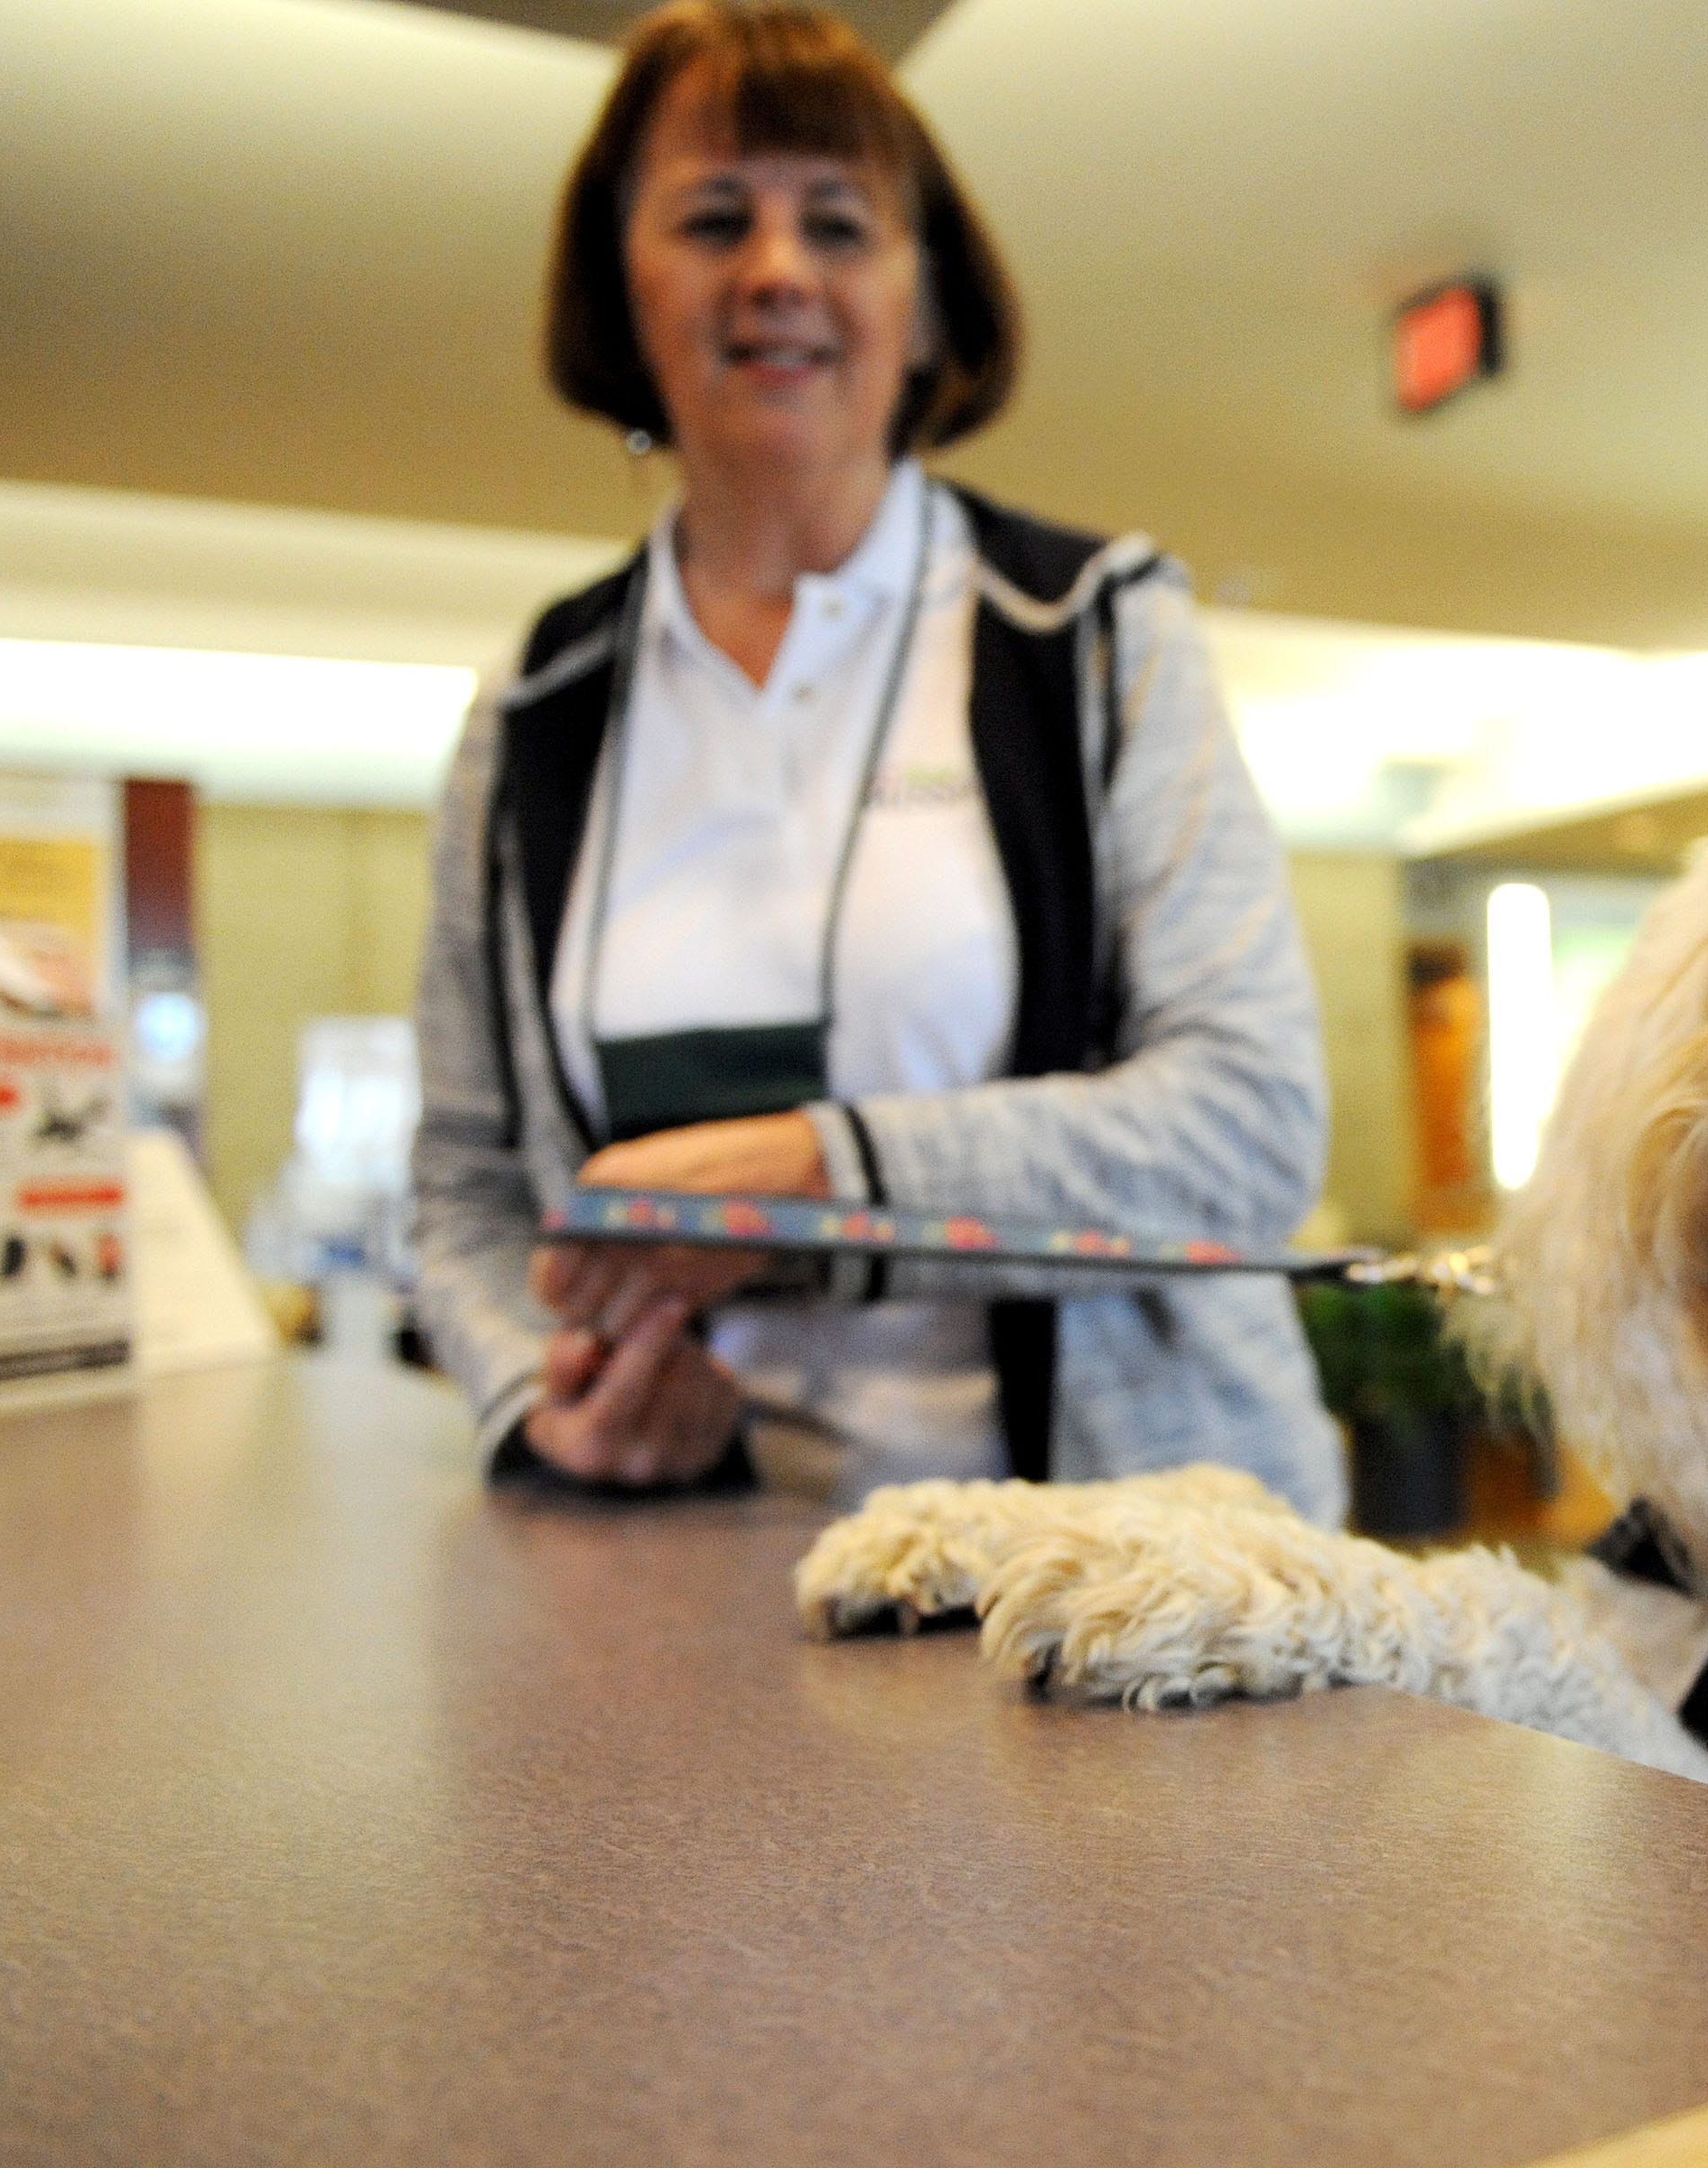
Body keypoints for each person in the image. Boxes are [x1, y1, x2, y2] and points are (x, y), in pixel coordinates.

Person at [409, 0, 1342, 1519]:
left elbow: (1249, 1126)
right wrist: (545, 1392)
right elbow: (462, 1180)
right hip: (714, 1581)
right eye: (715, 218)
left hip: (1131, 1569)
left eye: (837, 225)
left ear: (926, 305)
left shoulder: (1093, 633)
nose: (776, 270)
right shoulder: (537, 708)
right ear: (619, 290)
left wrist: (817, 1174)